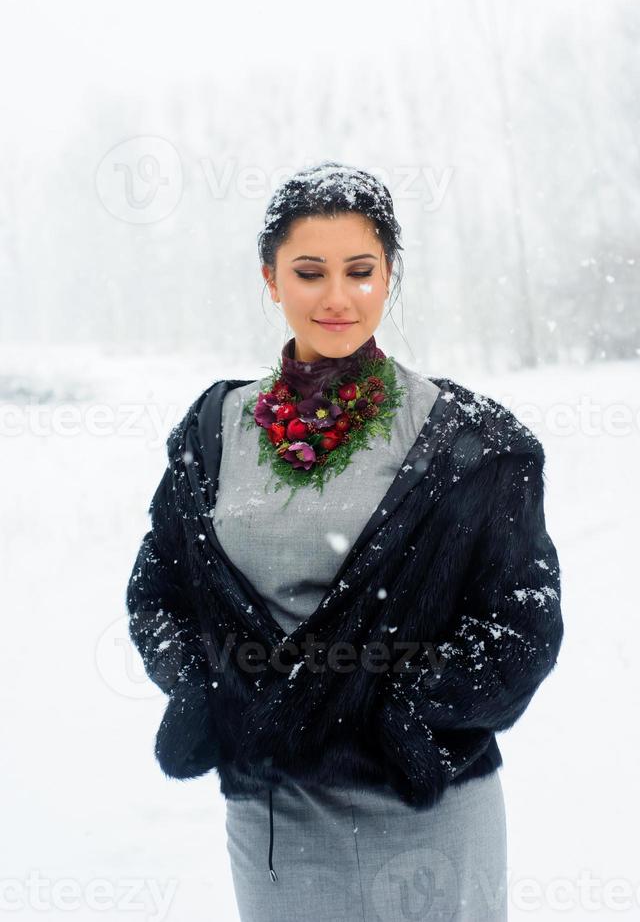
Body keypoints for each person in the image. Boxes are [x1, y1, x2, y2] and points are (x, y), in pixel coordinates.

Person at [126, 161, 564, 922]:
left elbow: (522, 627)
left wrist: (399, 710)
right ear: (271, 279)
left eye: (360, 271)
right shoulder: (211, 434)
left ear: (389, 276)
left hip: (426, 808)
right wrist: (208, 690)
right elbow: (156, 595)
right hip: (274, 816)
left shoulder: (476, 444)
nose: (337, 296)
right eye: (309, 271)